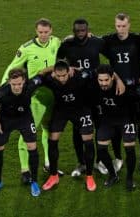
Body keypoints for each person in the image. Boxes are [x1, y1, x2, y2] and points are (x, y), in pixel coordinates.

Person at [0, 18, 62, 183]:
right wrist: (2, 90)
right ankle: (25, 169)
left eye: (46, 32)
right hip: (35, 98)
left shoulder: (56, 42)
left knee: (49, 130)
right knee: (28, 133)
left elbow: (67, 48)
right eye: (40, 32)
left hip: (53, 96)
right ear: (36, 31)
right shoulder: (26, 48)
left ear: (51, 31)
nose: (43, 35)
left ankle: (49, 164)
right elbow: (12, 67)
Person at [57, 18, 108, 176]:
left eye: (83, 30)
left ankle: (100, 161)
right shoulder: (66, 44)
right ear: (73, 30)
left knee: (100, 126)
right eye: (77, 31)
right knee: (78, 129)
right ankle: (82, 163)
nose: (80, 33)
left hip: (96, 91)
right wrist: (68, 67)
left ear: (88, 29)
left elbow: (113, 52)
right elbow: (58, 62)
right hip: (77, 92)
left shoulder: (96, 42)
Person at [40, 61, 96, 192]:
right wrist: (50, 69)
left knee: (87, 141)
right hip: (61, 111)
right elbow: (39, 74)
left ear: (69, 72)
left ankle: (89, 176)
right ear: (54, 73)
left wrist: (75, 68)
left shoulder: (79, 76)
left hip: (81, 109)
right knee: (52, 140)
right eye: (58, 76)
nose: (61, 79)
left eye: (64, 75)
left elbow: (97, 72)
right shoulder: (50, 79)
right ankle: (53, 176)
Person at [0, 69, 41, 197]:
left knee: (32, 146)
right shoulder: (1, 92)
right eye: (13, 84)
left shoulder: (31, 85)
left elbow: (42, 74)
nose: (17, 87)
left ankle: (34, 182)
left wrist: (55, 71)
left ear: (24, 81)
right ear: (9, 81)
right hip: (6, 119)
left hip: (24, 118)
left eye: (19, 84)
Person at [102, 13, 140, 173]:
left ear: (129, 25)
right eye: (118, 26)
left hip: (135, 90)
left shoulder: (137, 40)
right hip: (117, 90)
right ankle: (118, 157)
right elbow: (93, 40)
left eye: (124, 26)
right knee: (117, 124)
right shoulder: (109, 40)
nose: (121, 29)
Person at [92, 64, 137, 191]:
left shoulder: (124, 87)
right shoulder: (94, 86)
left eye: (106, 80)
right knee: (101, 149)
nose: (103, 83)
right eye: (100, 80)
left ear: (112, 77)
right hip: (107, 120)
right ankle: (113, 175)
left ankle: (129, 178)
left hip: (125, 119)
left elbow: (135, 102)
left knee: (129, 149)